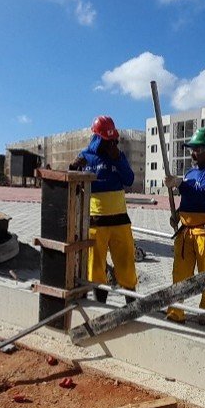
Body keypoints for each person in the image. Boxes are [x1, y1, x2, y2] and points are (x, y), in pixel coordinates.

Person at [70, 115, 137, 299]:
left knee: (126, 263)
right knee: (96, 266)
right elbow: (73, 184)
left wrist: (119, 160)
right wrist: (73, 168)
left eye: (113, 141)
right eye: (107, 141)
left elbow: (129, 180)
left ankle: (132, 304)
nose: (111, 144)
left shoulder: (117, 156)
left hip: (120, 221)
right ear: (97, 137)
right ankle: (100, 305)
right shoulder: (85, 157)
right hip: (96, 222)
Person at [163, 128, 205, 323]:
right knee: (180, 273)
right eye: (191, 149)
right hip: (186, 231)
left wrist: (180, 183)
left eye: (197, 149)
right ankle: (176, 312)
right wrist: (178, 214)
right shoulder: (190, 173)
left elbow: (203, 195)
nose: (192, 153)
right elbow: (188, 199)